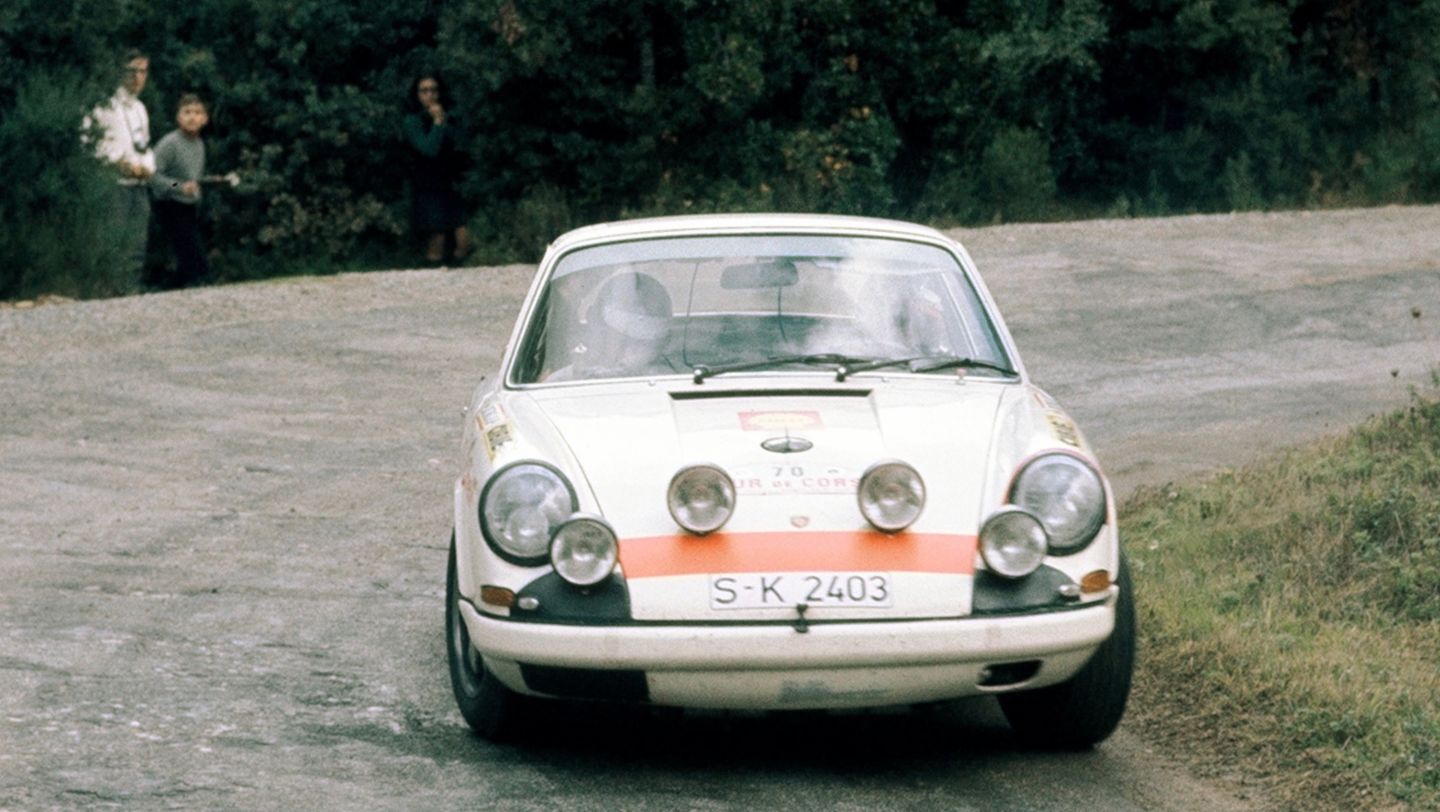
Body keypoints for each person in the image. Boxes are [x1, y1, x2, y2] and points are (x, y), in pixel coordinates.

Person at [84, 49, 155, 285]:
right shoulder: (104, 105)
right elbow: (90, 142)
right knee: (113, 242)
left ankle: (130, 291)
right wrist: (117, 161)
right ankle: (109, 291)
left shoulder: (140, 109)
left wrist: (146, 166)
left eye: (142, 71)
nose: (137, 77)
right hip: (114, 185)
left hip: (139, 185)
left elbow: (144, 144)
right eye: (132, 71)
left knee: (137, 244)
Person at [544, 271, 676, 381]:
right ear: (594, 324)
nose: (627, 352)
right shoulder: (561, 383)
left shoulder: (671, 382)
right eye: (619, 338)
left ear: (662, 345)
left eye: (640, 343)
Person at [401, 74, 472, 265]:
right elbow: (429, 149)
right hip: (427, 184)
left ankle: (456, 270)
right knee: (437, 237)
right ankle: (432, 275)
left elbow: (460, 144)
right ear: (416, 95)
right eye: (424, 91)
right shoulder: (412, 121)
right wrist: (438, 123)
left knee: (463, 236)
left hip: (449, 182)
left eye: (433, 90)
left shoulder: (448, 116)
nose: (430, 95)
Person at [149, 94, 211, 287]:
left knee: (191, 260)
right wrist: (179, 187)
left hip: (189, 205)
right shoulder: (170, 143)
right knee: (193, 258)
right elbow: (153, 176)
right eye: (187, 112)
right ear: (178, 117)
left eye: (197, 112)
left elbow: (192, 178)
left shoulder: (199, 144)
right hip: (168, 205)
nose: (192, 117)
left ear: (204, 119)